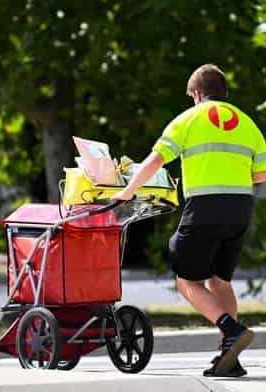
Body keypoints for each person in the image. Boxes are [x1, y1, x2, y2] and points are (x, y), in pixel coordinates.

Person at [113, 64, 266, 377]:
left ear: (197, 95)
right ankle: (230, 358)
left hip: (205, 208)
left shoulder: (188, 119)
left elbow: (156, 159)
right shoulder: (248, 124)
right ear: (224, 93)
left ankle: (231, 330)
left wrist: (128, 192)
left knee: (186, 279)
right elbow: (261, 174)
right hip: (240, 208)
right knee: (220, 280)